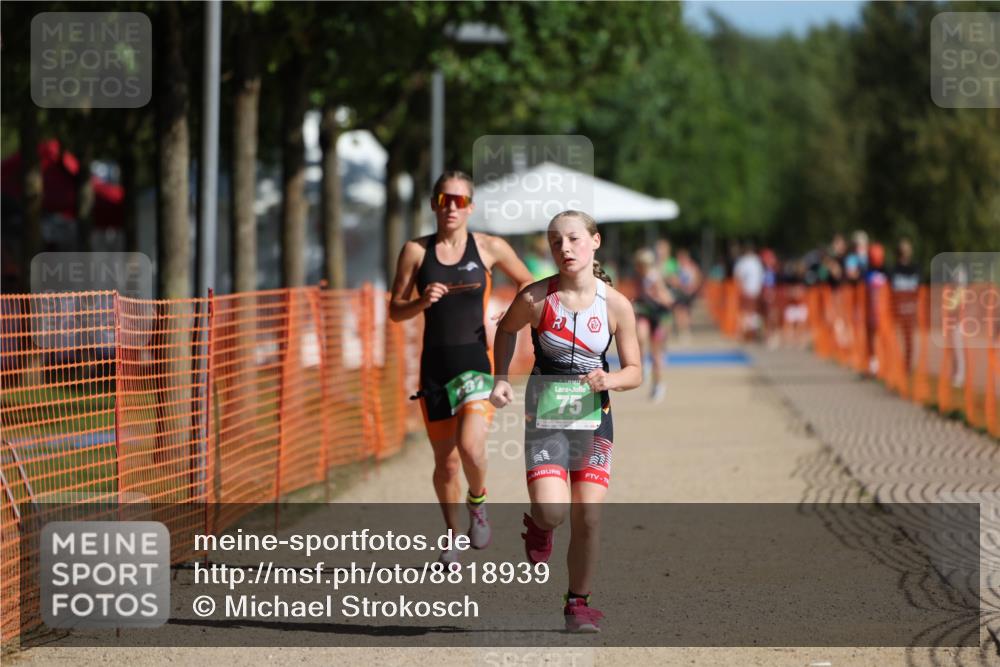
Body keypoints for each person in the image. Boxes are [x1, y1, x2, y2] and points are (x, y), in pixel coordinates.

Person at [489, 210, 642, 633]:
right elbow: (505, 331)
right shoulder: (536, 299)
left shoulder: (616, 305)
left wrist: (609, 378)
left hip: (595, 417)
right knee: (554, 510)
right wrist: (500, 379)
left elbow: (635, 371)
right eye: (556, 242)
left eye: (574, 239)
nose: (565, 248)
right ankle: (540, 525)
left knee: (588, 516)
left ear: (595, 242)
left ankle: (578, 603)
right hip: (547, 415)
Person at [388, 170, 533, 569]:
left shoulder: (488, 247)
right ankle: (452, 539)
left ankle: (479, 502)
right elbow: (394, 310)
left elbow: (528, 283)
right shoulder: (416, 252)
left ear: (470, 206)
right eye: (444, 199)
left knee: (470, 446)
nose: (452, 206)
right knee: (446, 462)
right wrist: (420, 303)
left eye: (460, 200)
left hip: (475, 364)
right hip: (434, 368)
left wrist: (512, 313)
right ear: (434, 203)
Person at [632, 248, 674, 402]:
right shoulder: (638, 278)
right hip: (645, 313)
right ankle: (643, 365)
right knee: (640, 337)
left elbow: (667, 298)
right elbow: (637, 295)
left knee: (656, 354)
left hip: (658, 316)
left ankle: (658, 384)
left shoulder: (654, 277)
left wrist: (657, 297)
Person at [889, 238, 920, 372]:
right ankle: (895, 364)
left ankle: (907, 366)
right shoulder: (893, 270)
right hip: (896, 310)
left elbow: (918, 291)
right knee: (896, 339)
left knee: (909, 340)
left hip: (910, 310)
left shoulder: (915, 269)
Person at [733, 243, 765, 342]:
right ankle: (748, 333)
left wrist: (741, 288)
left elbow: (738, 276)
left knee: (748, 313)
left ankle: (749, 333)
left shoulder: (746, 262)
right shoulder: (756, 261)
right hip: (753, 291)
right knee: (751, 313)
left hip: (749, 291)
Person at [673, 248, 702, 344]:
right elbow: (674, 279)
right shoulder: (678, 267)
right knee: (679, 312)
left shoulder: (692, 267)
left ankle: (685, 331)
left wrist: (692, 288)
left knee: (685, 312)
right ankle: (681, 331)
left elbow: (697, 278)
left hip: (688, 293)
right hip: (680, 292)